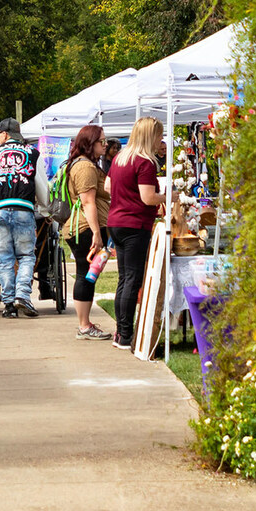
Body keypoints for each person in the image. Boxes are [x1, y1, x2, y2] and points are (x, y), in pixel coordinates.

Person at [105, 118, 165, 354]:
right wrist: (169, 197)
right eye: (159, 136)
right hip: (135, 225)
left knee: (124, 278)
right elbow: (148, 197)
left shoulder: (121, 159)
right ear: (150, 136)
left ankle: (121, 330)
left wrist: (125, 194)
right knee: (132, 279)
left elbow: (108, 187)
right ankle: (125, 334)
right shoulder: (145, 163)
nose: (160, 141)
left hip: (116, 222)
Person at [0, 118, 43, 317]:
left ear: (5, 134)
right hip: (23, 208)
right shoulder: (33, 153)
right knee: (25, 256)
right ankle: (22, 296)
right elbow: (42, 187)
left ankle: (8, 305)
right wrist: (44, 207)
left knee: (4, 259)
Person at [61, 124, 112, 340]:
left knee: (88, 275)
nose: (105, 144)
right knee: (84, 275)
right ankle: (84, 326)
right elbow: (88, 202)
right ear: (90, 143)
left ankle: (86, 323)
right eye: (102, 141)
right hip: (84, 229)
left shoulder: (85, 165)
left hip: (84, 228)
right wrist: (97, 234)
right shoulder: (85, 168)